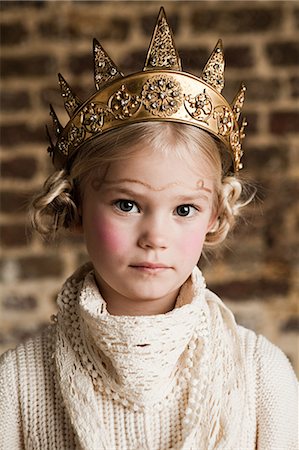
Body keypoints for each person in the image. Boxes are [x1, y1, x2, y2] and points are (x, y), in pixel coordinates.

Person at [0, 7, 297, 450]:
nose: (155, 236)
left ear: (215, 216)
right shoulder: (18, 384)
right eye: (127, 204)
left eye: (184, 210)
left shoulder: (260, 374)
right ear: (76, 205)